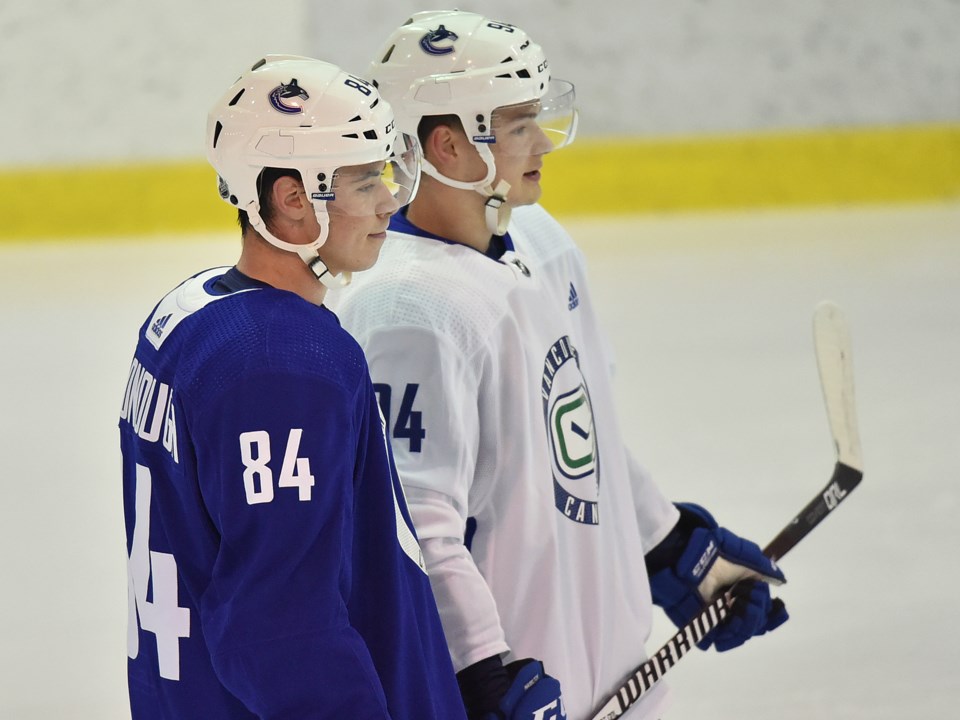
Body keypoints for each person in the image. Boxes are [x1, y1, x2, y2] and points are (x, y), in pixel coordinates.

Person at [332, 11, 788, 720]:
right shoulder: (407, 308)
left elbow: (581, 428)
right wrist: (477, 675)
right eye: (516, 124)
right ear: (449, 146)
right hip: (523, 692)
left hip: (607, 675)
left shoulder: (537, 242)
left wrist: (668, 543)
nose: (540, 141)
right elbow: (414, 528)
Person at [119, 55, 467, 720]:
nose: (391, 200)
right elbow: (280, 623)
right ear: (292, 199)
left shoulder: (187, 315)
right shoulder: (281, 364)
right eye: (366, 182)